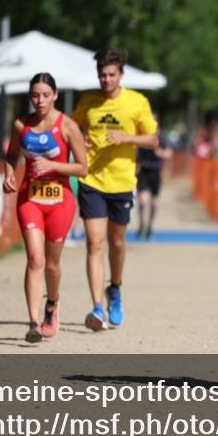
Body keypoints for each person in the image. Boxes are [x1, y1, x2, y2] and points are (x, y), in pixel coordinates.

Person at [72, 47, 159, 331]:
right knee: (94, 243)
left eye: (111, 75)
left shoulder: (136, 102)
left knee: (117, 243)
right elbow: (71, 128)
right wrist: (80, 140)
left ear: (121, 74)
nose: (106, 80)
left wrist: (127, 137)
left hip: (122, 182)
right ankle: (97, 307)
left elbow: (153, 140)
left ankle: (116, 289)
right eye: (102, 75)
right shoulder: (89, 101)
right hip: (92, 180)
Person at [3, 73, 88, 343]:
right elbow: (12, 155)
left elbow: (83, 168)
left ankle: (52, 304)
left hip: (60, 201)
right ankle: (33, 322)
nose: (39, 100)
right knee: (35, 259)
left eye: (45, 95)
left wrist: (53, 166)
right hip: (30, 199)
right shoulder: (21, 124)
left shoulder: (68, 126)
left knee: (51, 264)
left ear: (55, 95)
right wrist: (9, 174)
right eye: (35, 95)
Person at [135, 114, 173, 240]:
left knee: (155, 204)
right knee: (142, 201)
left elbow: (169, 153)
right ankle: (141, 223)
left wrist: (160, 153)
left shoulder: (161, 137)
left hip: (156, 171)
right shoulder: (141, 136)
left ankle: (150, 226)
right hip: (144, 171)